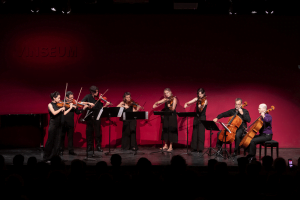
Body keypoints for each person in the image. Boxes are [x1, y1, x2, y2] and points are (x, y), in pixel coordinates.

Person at [81, 86, 110, 152]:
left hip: (97, 116)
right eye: (96, 92)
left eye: (97, 91)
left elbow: (101, 108)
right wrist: (88, 103)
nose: (97, 93)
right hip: (89, 116)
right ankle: (89, 146)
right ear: (92, 92)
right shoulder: (87, 96)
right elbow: (81, 102)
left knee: (98, 132)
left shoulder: (100, 98)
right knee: (89, 132)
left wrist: (105, 105)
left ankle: (98, 146)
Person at [60, 91, 89, 155]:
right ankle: (61, 150)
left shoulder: (74, 103)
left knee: (70, 138)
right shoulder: (62, 102)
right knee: (61, 137)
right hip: (62, 122)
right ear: (66, 97)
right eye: (70, 98)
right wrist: (70, 107)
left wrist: (83, 108)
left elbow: (78, 112)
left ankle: (71, 151)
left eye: (72, 98)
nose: (72, 99)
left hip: (70, 123)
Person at [43, 91, 66, 161]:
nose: (60, 99)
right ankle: (47, 156)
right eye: (58, 98)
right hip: (53, 125)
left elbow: (63, 113)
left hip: (59, 124)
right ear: (54, 98)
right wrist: (61, 109)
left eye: (60, 98)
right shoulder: (50, 104)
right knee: (51, 140)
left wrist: (69, 108)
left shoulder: (60, 104)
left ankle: (54, 157)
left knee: (57, 141)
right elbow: (54, 113)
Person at [184, 88, 207, 152]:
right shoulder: (197, 99)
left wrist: (200, 107)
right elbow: (190, 101)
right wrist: (186, 103)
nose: (200, 95)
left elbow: (201, 110)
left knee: (201, 133)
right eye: (199, 94)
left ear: (203, 93)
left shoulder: (205, 100)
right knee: (195, 132)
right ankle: (194, 147)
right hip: (196, 117)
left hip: (202, 117)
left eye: (201, 94)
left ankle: (200, 148)